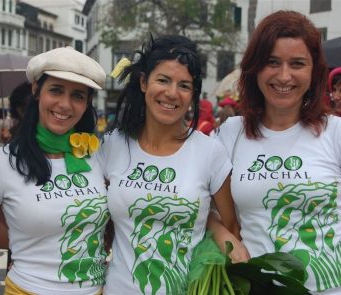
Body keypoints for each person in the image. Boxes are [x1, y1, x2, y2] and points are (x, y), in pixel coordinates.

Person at [98, 35, 240, 294]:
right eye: (163, 80)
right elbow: (100, 222)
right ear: (143, 82)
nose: (172, 93)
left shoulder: (210, 152)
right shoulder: (112, 146)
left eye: (184, 85)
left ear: (193, 95)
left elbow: (231, 226)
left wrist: (212, 225)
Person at [215, 10, 341, 294]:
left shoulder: (335, 133)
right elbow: (196, 202)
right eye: (272, 62)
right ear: (254, 68)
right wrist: (224, 235)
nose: (284, 76)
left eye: (297, 64)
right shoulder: (230, 134)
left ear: (313, 72)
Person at [0, 46, 108, 294]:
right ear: (36, 90)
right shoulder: (1, 162)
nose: (65, 105)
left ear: (86, 104)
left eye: (78, 96)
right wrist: (25, 244)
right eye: (56, 90)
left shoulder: (98, 155)